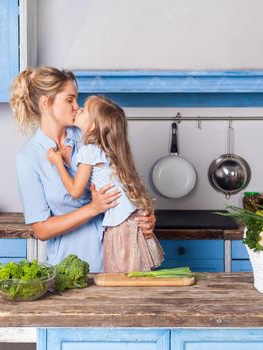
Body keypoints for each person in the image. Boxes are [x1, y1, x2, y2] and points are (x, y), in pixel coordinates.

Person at [9, 66, 156, 272]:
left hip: (120, 257)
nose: (76, 107)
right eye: (69, 100)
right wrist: (93, 208)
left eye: (77, 100)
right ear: (46, 102)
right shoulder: (29, 157)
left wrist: (144, 217)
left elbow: (123, 177)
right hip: (70, 267)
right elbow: (41, 229)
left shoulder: (89, 136)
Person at [46, 95, 164, 273]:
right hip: (132, 220)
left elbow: (75, 191)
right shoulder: (111, 151)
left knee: (120, 281)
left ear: (93, 125)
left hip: (120, 226)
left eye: (83, 109)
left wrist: (57, 163)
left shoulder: (89, 151)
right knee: (137, 281)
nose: (77, 109)